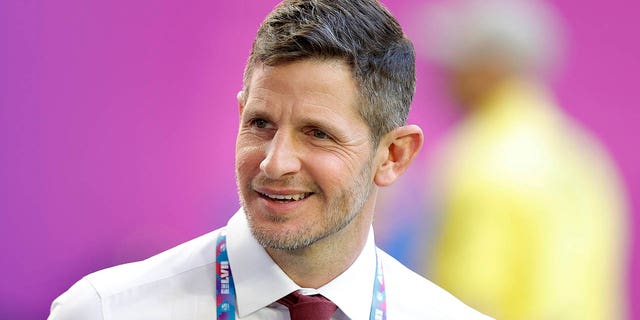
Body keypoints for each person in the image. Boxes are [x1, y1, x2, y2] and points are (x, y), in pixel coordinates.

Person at [48, 0, 492, 319]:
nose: (275, 164)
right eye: (260, 124)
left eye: (318, 134)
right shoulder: (104, 311)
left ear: (393, 156)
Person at [417, 0, 629, 319]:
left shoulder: (478, 158)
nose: (443, 77)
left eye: (457, 64)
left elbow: (468, 297)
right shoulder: (585, 158)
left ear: (488, 69)